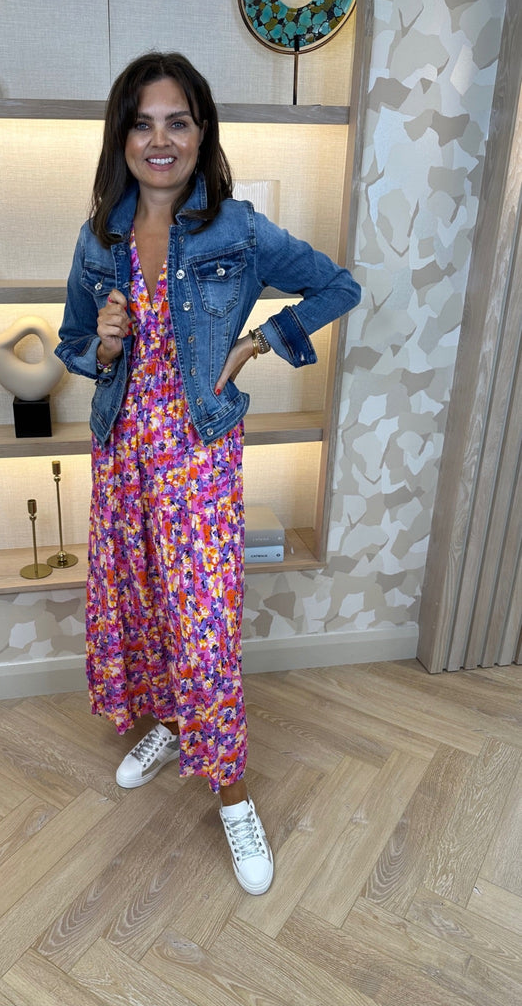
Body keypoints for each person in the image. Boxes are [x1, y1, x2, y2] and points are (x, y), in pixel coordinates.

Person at [55, 51, 361, 896]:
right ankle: (168, 724)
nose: (159, 141)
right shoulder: (98, 237)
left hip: (195, 453)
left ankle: (231, 792)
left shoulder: (239, 231)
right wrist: (103, 345)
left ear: (201, 133)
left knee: (204, 627)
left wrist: (262, 341)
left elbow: (337, 287)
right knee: (143, 604)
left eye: (177, 122)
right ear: (121, 137)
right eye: (141, 124)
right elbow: (73, 343)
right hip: (121, 452)